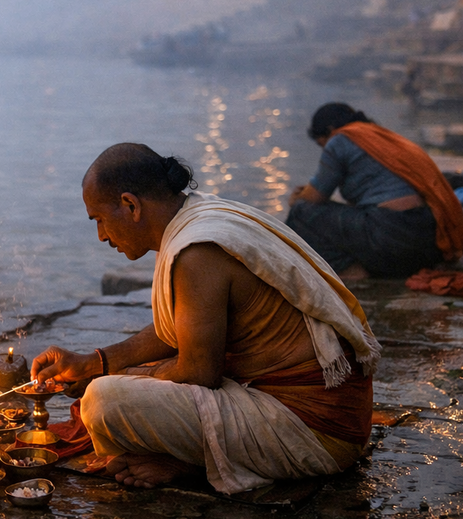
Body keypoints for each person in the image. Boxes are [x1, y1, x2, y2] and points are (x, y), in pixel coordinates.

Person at [31, 143, 380, 493]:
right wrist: (95, 362)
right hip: (330, 413)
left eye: (100, 220)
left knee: (103, 400)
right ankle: (191, 453)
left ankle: (194, 463)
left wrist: (126, 376)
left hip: (315, 432)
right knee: (116, 378)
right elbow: (182, 329)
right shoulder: (197, 215)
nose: (102, 236)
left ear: (131, 205)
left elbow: (200, 371)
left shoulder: (197, 251)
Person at [286, 103, 463, 281]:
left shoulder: (341, 139)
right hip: (430, 243)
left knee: (300, 211)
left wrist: (297, 197)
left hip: (392, 237)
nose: (325, 148)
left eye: (322, 144)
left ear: (328, 131)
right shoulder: (384, 137)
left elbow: (315, 196)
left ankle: (354, 272)